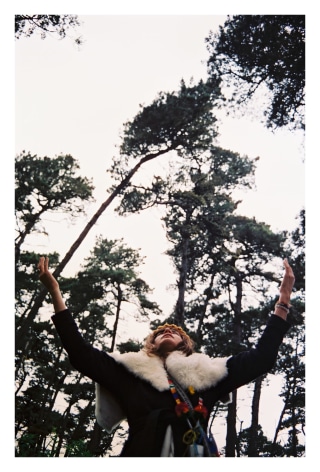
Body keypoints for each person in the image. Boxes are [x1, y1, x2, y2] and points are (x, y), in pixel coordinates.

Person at [38, 256, 295, 457]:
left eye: (175, 331)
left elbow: (262, 358)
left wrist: (282, 301)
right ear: (150, 345)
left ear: (186, 345)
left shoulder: (208, 373)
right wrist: (55, 292)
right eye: (160, 332)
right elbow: (81, 353)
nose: (168, 330)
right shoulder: (129, 372)